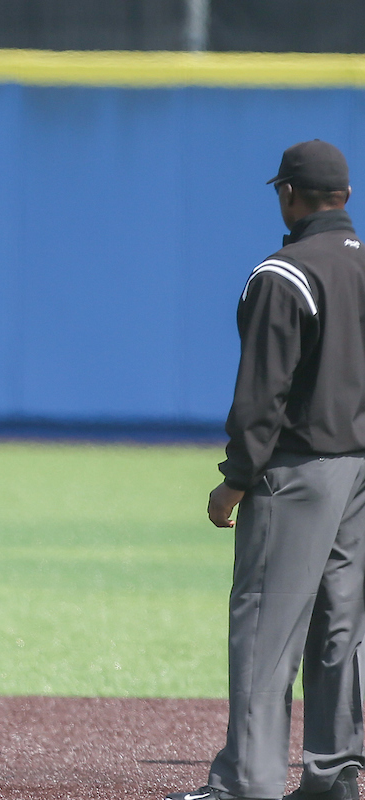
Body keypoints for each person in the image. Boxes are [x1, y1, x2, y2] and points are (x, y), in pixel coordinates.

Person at [167, 140, 365, 800]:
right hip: (359, 476)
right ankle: (335, 777)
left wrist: (236, 477)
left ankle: (246, 785)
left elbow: (263, 394)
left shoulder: (284, 274)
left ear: (290, 194)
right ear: (344, 196)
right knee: (341, 629)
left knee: (265, 629)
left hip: (298, 472)